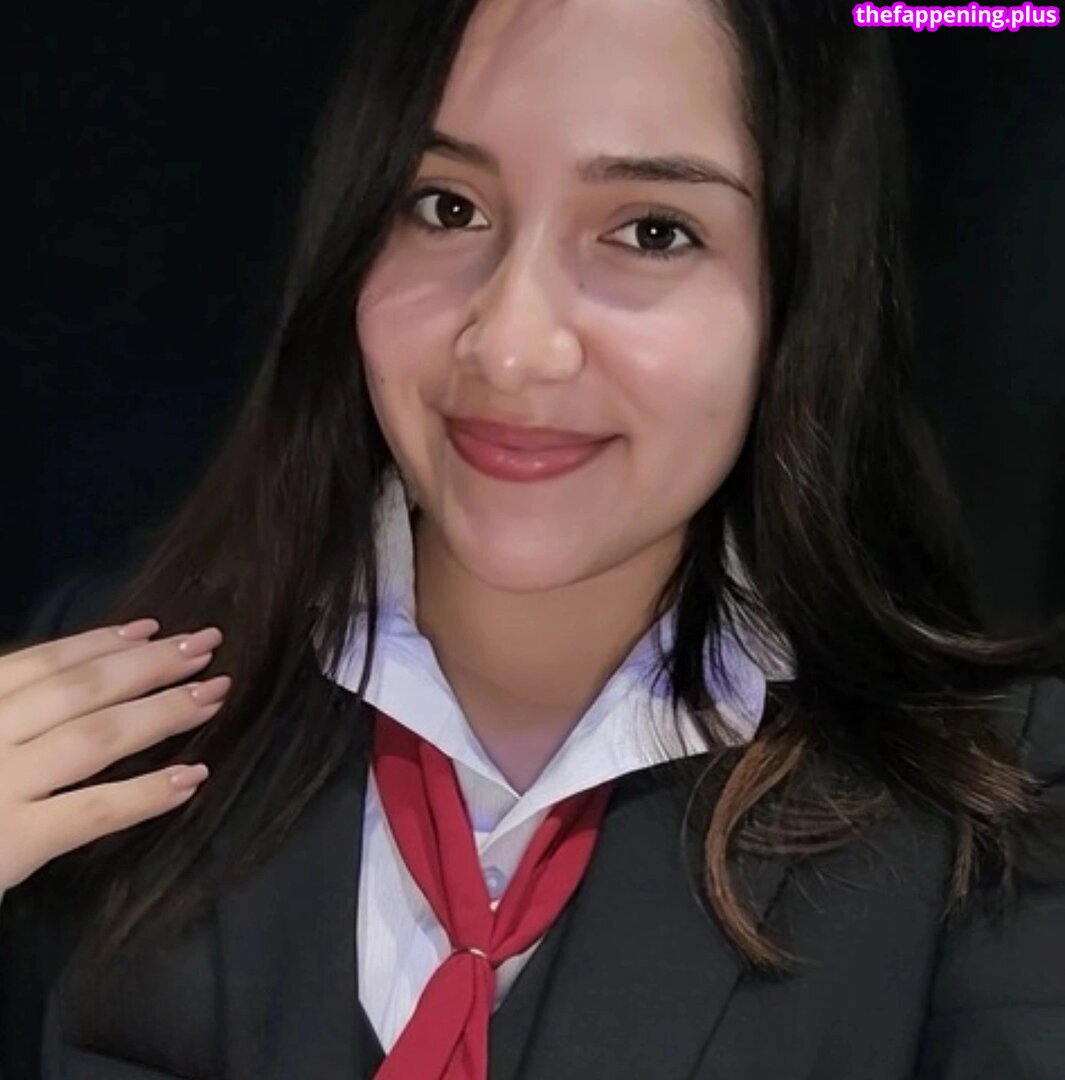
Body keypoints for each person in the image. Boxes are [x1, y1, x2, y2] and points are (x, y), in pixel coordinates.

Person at [2, 0, 1064, 1076]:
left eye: (652, 231)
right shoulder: (96, 708)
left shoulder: (1002, 805)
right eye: (447, 207)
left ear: (804, 295)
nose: (511, 347)